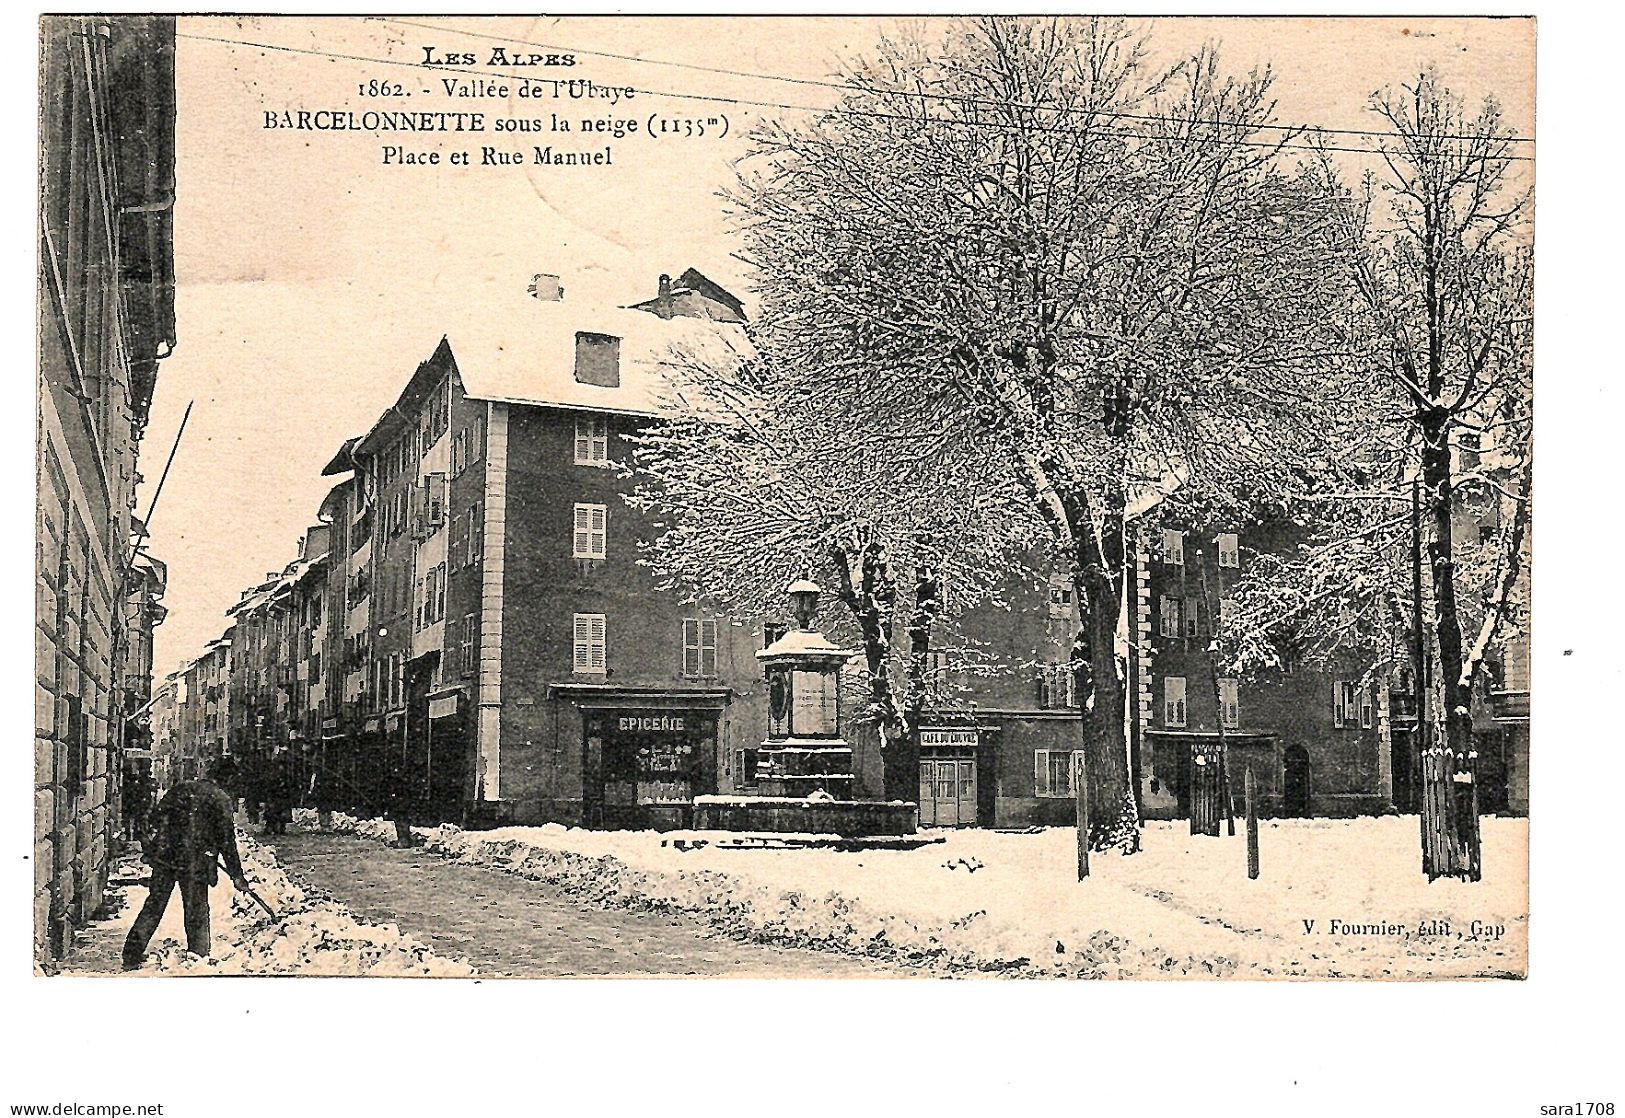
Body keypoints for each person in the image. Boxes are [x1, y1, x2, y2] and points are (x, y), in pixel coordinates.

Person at [122, 762, 249, 969]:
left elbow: (154, 818)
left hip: (166, 858)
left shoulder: (181, 789)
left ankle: (131, 953)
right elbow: (227, 841)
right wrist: (237, 875)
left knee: (154, 905)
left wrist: (160, 844)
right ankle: (198, 956)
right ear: (229, 780)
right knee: (196, 909)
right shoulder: (221, 799)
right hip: (195, 863)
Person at [262, 746, 295, 836]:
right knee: (273, 811)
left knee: (281, 811)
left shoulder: (287, 767)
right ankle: (271, 827)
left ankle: (280, 828)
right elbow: (269, 779)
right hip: (275, 791)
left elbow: (289, 779)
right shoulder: (273, 766)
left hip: (282, 792)